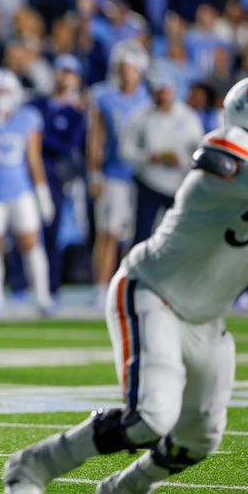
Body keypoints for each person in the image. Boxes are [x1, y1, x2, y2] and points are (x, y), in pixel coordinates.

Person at [2, 76, 248, 494]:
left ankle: (126, 491)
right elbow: (217, 157)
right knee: (151, 418)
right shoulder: (234, 144)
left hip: (205, 318)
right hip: (152, 291)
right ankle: (34, 465)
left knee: (200, 438)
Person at [0, 68, 55, 316]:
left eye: (6, 91)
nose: (2, 96)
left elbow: (33, 159)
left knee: (31, 243)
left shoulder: (27, 117)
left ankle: (43, 296)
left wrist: (42, 192)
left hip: (21, 190)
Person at [88, 39, 150, 308]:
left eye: (132, 68)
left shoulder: (148, 97)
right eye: (123, 67)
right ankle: (102, 288)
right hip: (113, 174)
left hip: (142, 175)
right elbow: (96, 138)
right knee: (109, 233)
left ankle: (131, 286)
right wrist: (95, 173)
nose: (127, 73)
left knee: (139, 237)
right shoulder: (104, 96)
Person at [120, 71, 203, 245]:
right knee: (142, 236)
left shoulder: (189, 118)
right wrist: (147, 158)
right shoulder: (140, 116)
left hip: (177, 186)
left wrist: (181, 161)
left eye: (165, 90)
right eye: (158, 91)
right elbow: (126, 150)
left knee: (176, 238)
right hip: (149, 183)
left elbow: (199, 153)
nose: (162, 95)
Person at [28, 54, 87, 296]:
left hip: (55, 176)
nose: (64, 77)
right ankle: (23, 284)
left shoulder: (76, 112)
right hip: (28, 173)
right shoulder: (39, 103)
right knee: (25, 229)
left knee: (53, 231)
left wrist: (40, 137)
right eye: (62, 71)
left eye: (70, 73)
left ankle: (52, 285)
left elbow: (67, 144)